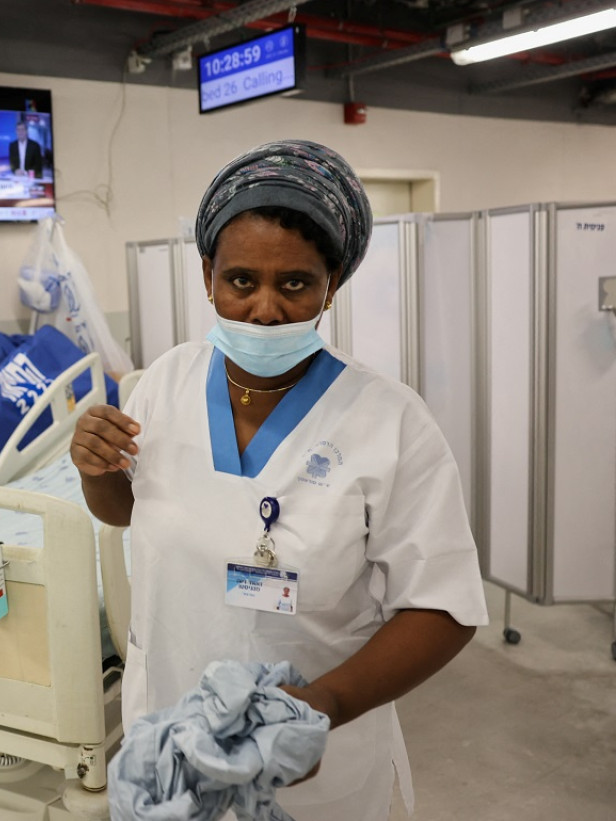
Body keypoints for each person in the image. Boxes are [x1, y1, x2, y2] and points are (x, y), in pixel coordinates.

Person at [71, 140, 488, 820]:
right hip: (172, 744)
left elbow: (443, 606)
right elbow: (126, 510)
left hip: (311, 764)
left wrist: (327, 702)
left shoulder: (390, 423)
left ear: (331, 285)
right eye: (241, 281)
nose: (265, 309)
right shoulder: (163, 386)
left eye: (294, 283)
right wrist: (94, 469)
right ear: (208, 276)